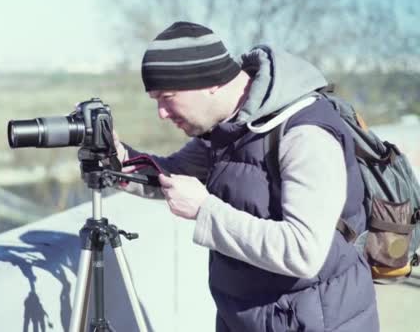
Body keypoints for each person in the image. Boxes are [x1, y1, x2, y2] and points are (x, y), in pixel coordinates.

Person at [114, 21, 379, 331]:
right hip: (246, 316)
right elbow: (171, 176)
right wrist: (116, 162)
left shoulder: (305, 134)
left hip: (313, 320)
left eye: (167, 97)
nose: (161, 113)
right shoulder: (227, 128)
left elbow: (304, 252)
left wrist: (204, 210)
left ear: (209, 82)